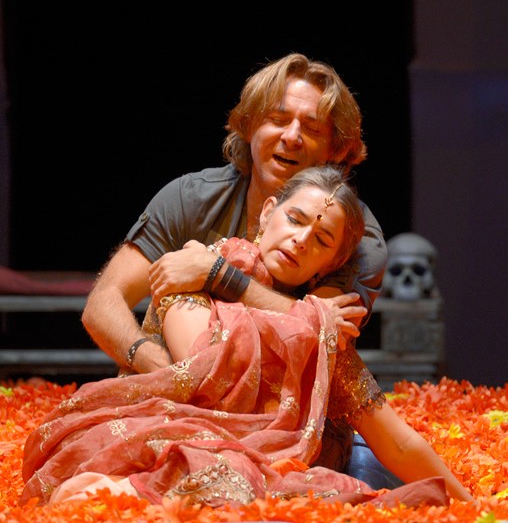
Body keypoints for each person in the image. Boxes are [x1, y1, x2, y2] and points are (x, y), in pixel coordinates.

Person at [21, 166, 475, 507]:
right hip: (165, 431)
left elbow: (396, 440)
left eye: (321, 239)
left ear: (330, 265)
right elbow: (206, 369)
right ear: (268, 212)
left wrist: (471, 504)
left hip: (248, 464)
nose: (301, 239)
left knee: (250, 474)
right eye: (295, 219)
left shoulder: (319, 332)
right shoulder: (193, 271)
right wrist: (237, 284)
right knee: (216, 465)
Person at [80, 53, 386, 486]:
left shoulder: (355, 239)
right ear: (249, 125)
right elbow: (103, 303)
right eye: (277, 119)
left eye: (312, 128)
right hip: (170, 403)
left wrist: (219, 275)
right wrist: (170, 374)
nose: (291, 136)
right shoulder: (190, 198)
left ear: (336, 150)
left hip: (287, 430)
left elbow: (316, 332)